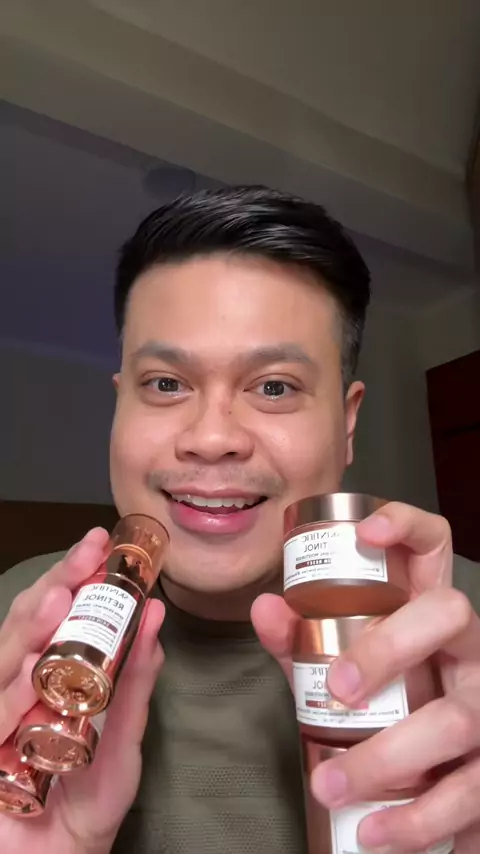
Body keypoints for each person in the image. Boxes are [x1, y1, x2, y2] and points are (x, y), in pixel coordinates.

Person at [0, 185, 479, 854]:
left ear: (347, 425)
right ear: (120, 405)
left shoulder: (463, 629)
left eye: (274, 387)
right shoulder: (20, 619)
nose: (212, 438)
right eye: (166, 384)